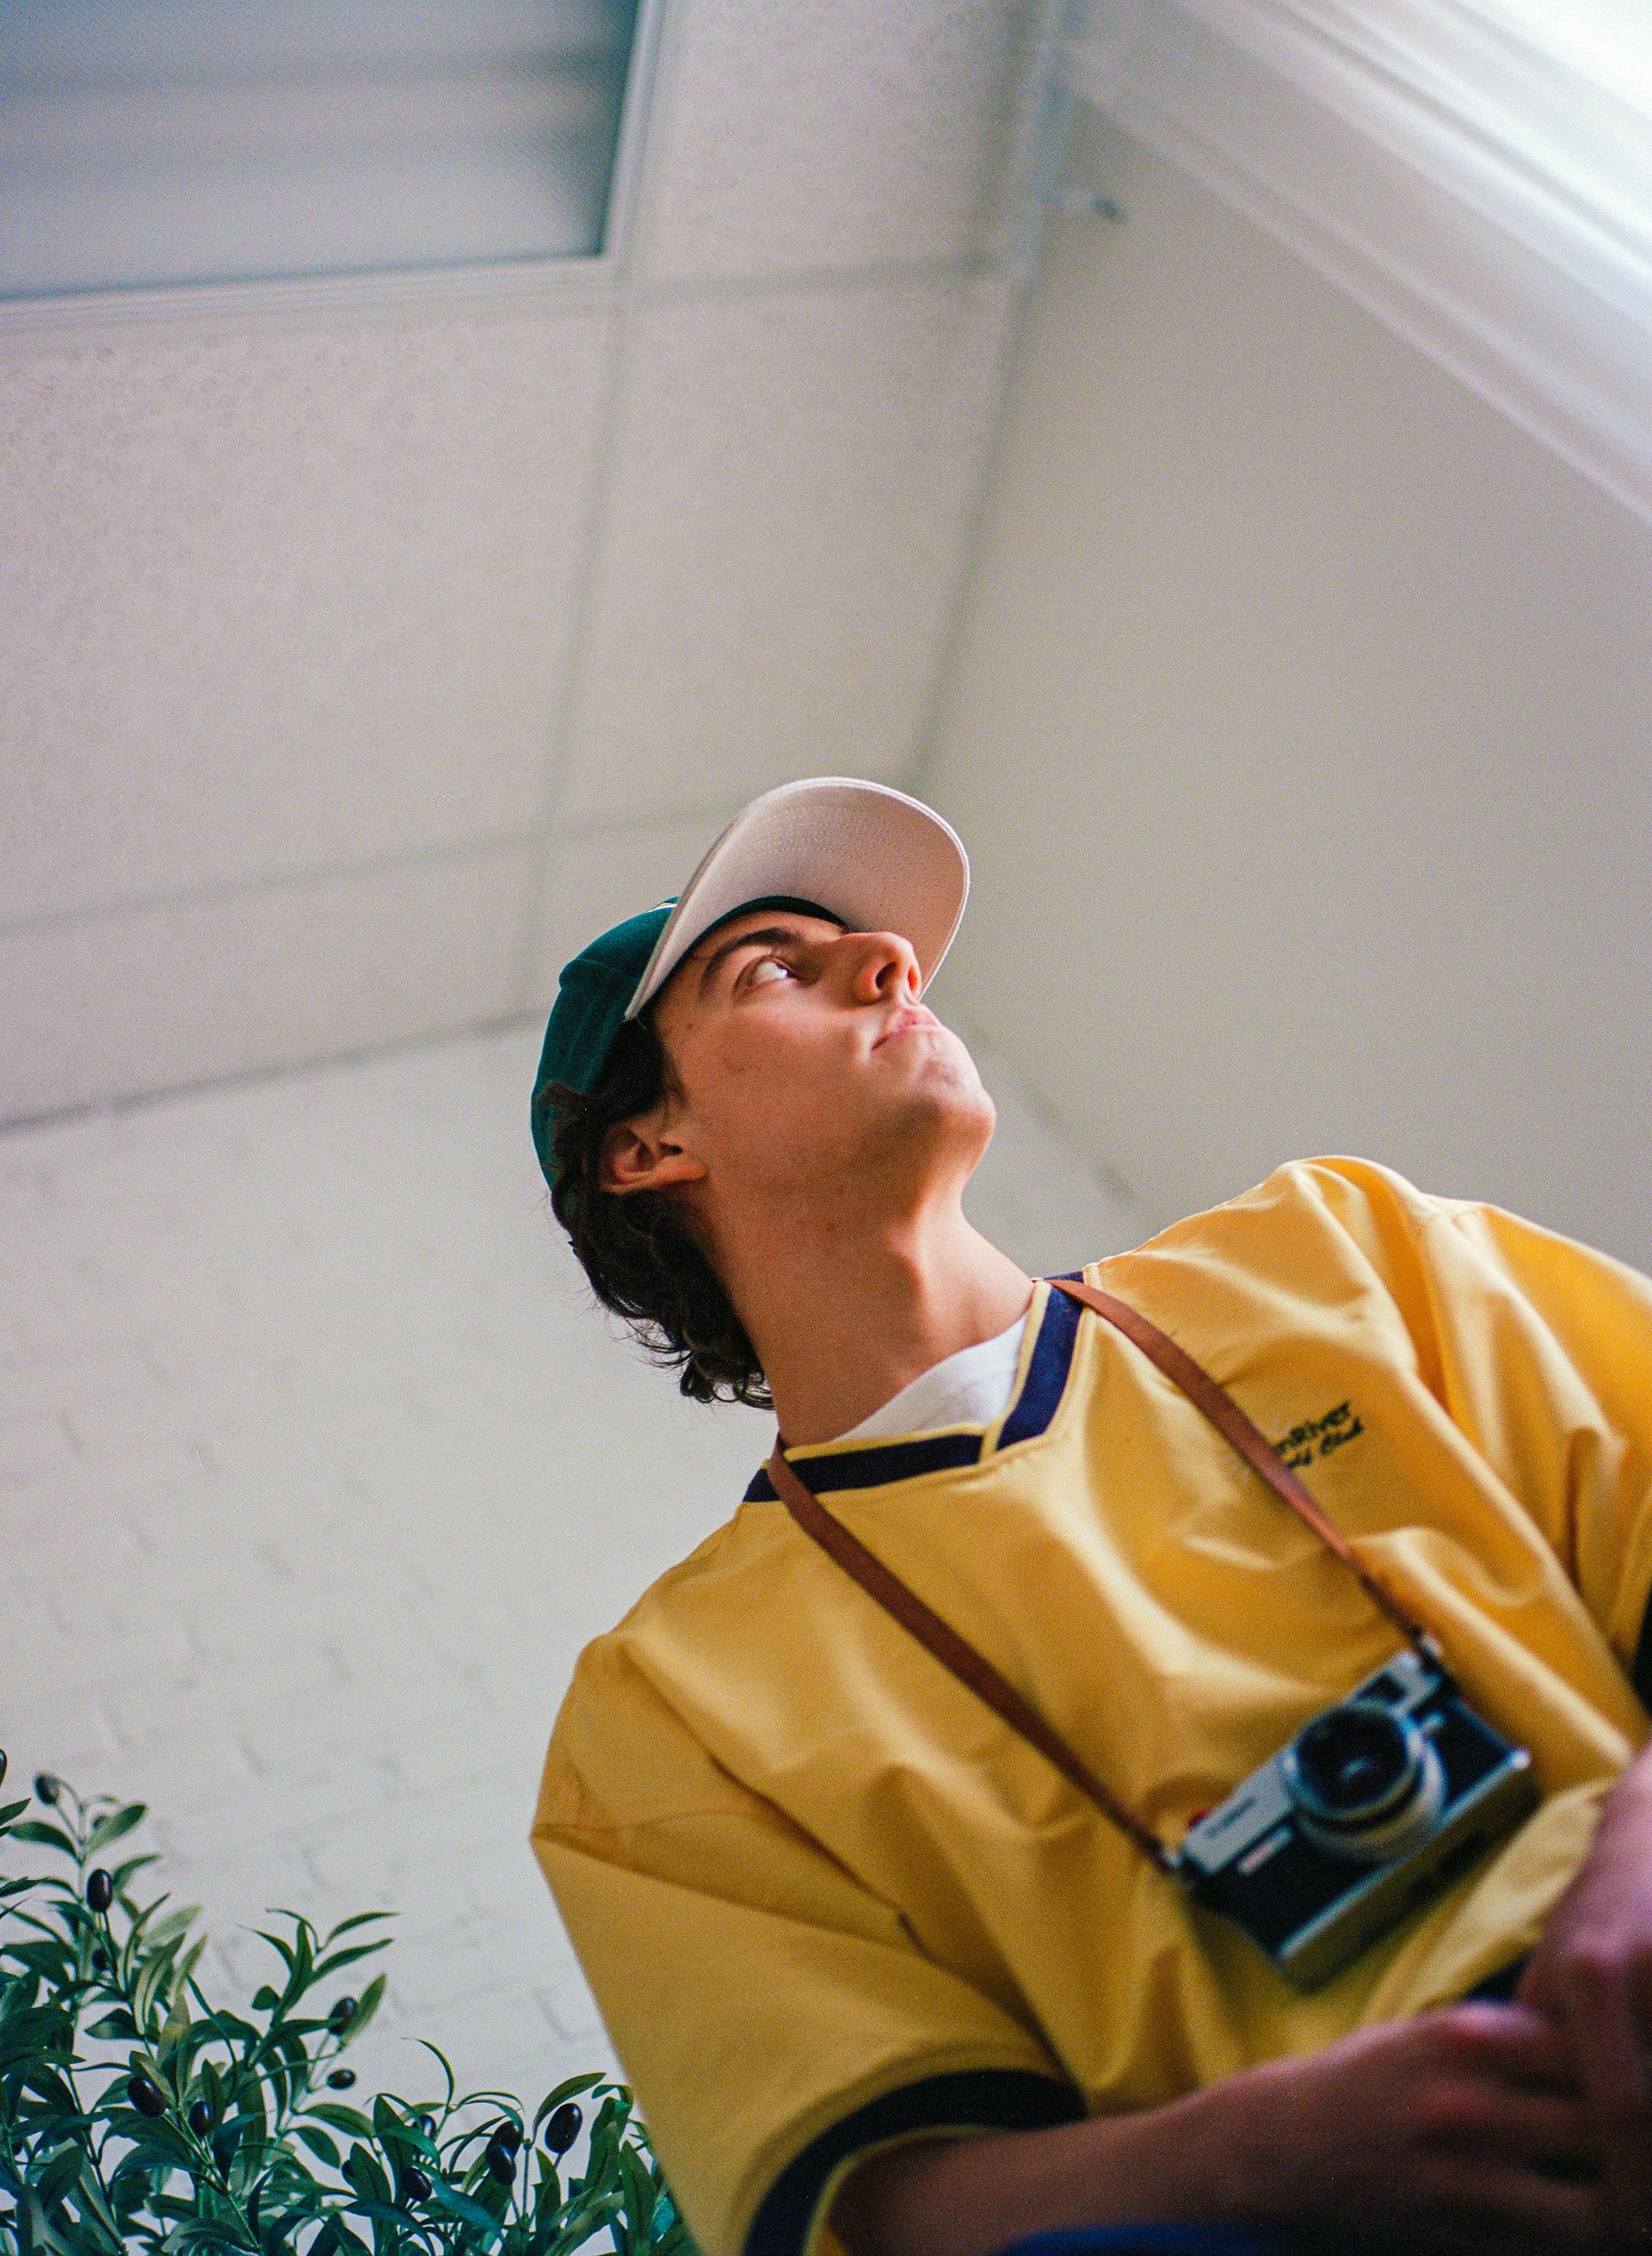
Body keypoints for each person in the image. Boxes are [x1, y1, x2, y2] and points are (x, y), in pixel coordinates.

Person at [527, 777, 1652, 2256]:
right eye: (773, 968)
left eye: (878, 946)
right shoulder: (663, 1716)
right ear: (647, 1144)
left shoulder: (1335, 1251)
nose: (889, 960)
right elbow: (879, 2207)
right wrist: (1265, 2150)